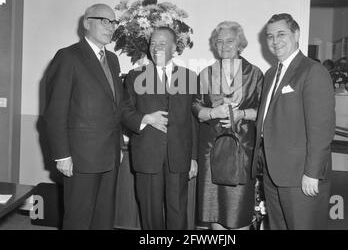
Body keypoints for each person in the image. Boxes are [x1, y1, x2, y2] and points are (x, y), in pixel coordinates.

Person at [252, 13, 335, 230]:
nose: (275, 41)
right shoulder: (271, 74)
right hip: (273, 173)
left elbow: (321, 129)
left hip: (301, 176)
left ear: (296, 34)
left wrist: (312, 173)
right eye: (270, 37)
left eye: (281, 34)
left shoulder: (313, 71)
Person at [44, 4, 123, 229]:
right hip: (80, 157)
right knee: (78, 218)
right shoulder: (68, 56)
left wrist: (118, 145)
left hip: (109, 155)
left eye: (113, 22)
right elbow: (55, 111)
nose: (110, 27)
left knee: (104, 217)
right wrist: (62, 155)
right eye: (104, 21)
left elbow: (116, 106)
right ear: (87, 23)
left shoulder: (113, 59)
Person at [122, 26, 198, 230]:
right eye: (153, 43)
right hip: (147, 155)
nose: (156, 48)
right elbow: (123, 111)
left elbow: (193, 120)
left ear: (174, 48)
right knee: (149, 212)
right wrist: (146, 118)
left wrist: (193, 157)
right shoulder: (134, 76)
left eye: (162, 44)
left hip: (179, 157)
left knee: (178, 212)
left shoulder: (189, 77)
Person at [192, 21, 263, 230]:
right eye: (219, 41)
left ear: (240, 44)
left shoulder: (255, 73)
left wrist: (241, 114)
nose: (224, 45)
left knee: (238, 209)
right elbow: (195, 106)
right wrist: (213, 112)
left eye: (230, 41)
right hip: (211, 150)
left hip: (241, 149)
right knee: (214, 208)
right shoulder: (206, 73)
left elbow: (263, 110)